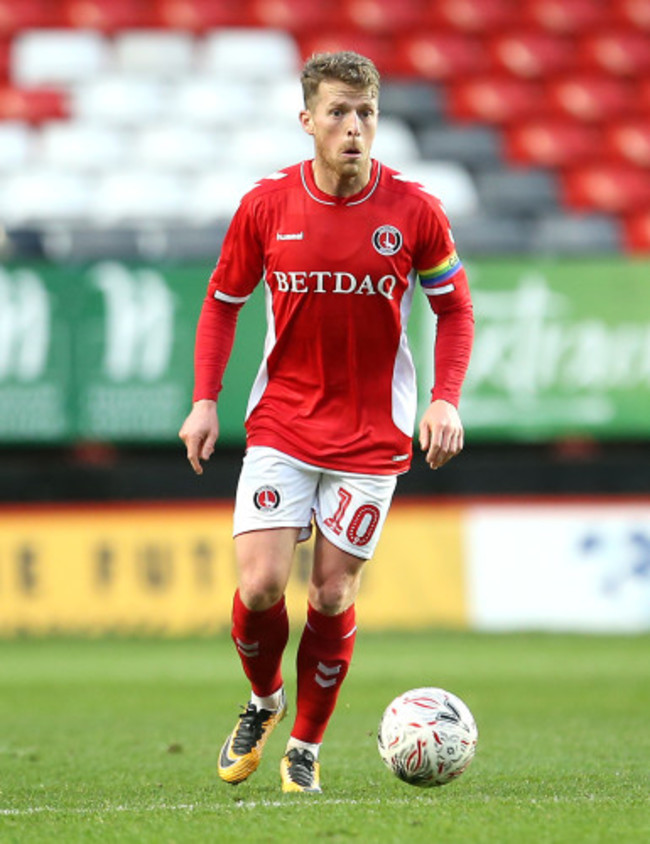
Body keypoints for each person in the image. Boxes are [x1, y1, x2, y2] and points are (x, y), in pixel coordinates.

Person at [179, 51, 474, 794]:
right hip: (284, 419)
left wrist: (445, 397)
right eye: (338, 112)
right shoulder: (267, 206)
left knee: (335, 594)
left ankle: (305, 746)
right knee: (260, 585)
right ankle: (263, 700)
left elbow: (454, 307)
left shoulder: (415, 211)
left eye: (366, 113)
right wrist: (205, 399)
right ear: (306, 120)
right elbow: (222, 302)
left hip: (372, 433)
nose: (354, 127)